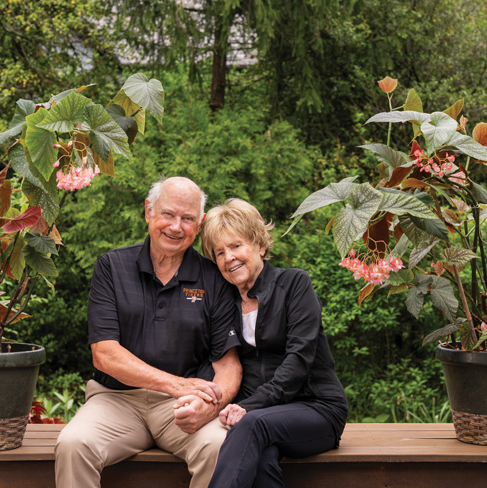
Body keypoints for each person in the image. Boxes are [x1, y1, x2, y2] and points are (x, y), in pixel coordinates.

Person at [55, 177, 243, 488]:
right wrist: (177, 385)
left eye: (187, 219)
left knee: (219, 447)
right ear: (148, 211)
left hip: (185, 407)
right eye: (168, 214)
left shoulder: (215, 279)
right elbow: (104, 354)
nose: (176, 226)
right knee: (74, 444)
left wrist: (210, 406)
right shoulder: (111, 267)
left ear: (201, 222)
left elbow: (229, 366)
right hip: (116, 400)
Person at [197, 198, 348, 488]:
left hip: (315, 408)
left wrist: (248, 407)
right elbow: (216, 360)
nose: (229, 258)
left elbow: (299, 360)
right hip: (262, 417)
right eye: (220, 252)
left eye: (236, 246)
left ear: (260, 245)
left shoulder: (294, 285)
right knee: (261, 459)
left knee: (250, 426)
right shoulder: (224, 303)